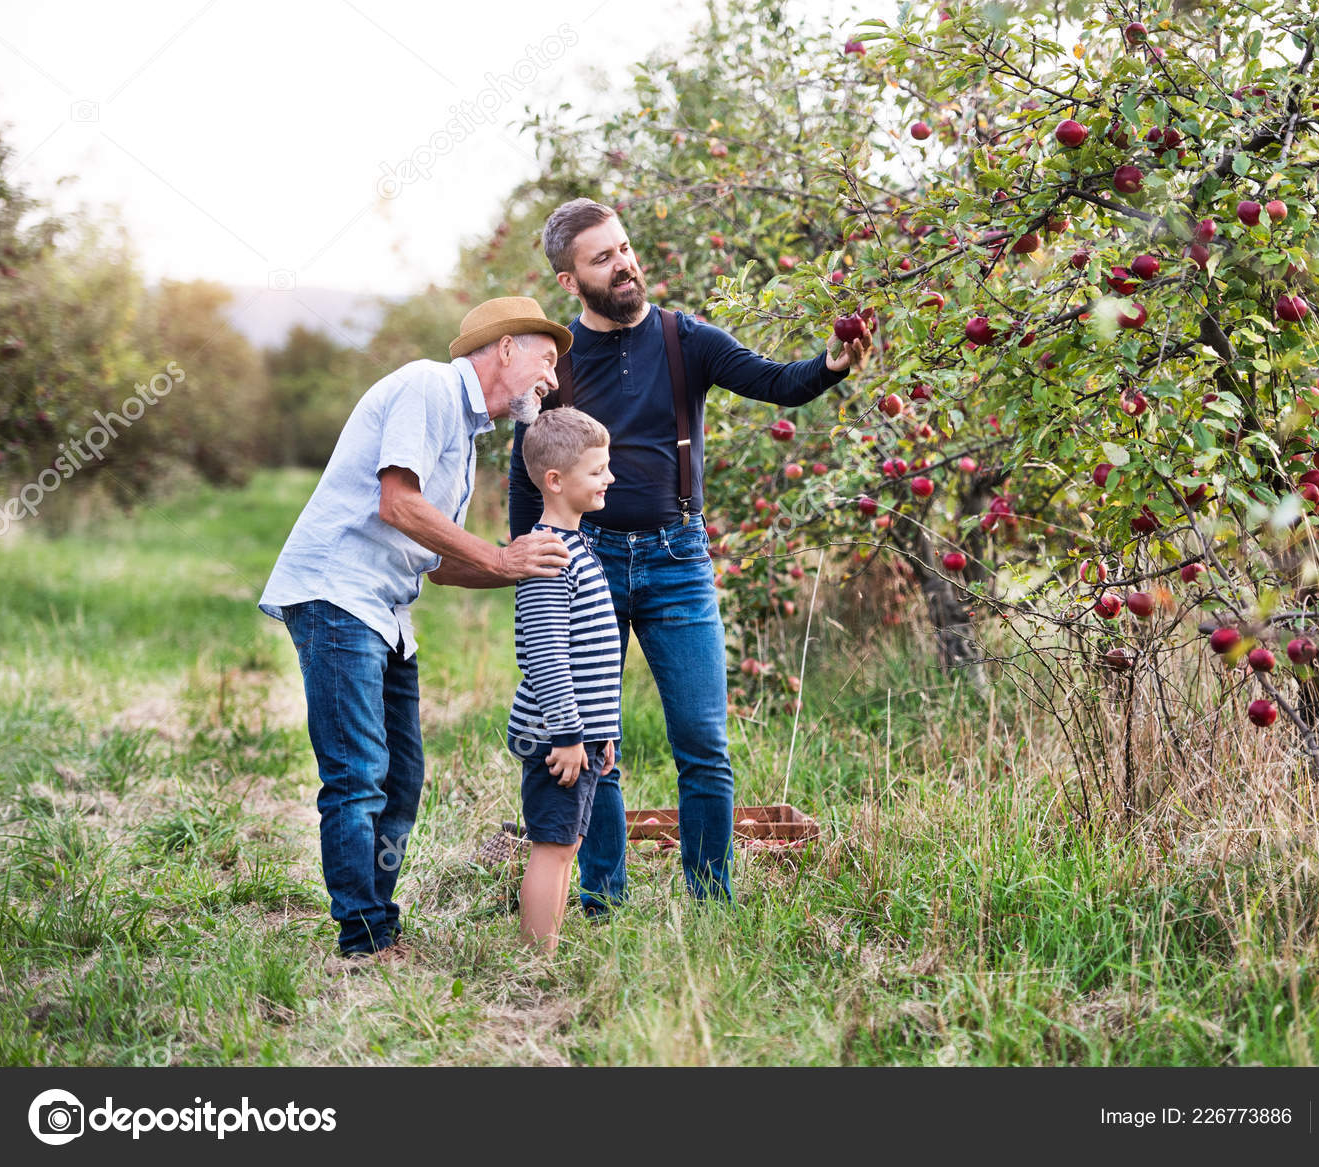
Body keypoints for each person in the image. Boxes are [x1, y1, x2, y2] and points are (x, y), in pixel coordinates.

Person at [510, 198, 871, 915]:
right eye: (602, 257)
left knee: (704, 741)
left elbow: (776, 381)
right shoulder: (563, 364)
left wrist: (831, 365)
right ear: (569, 280)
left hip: (679, 558)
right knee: (599, 745)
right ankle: (601, 897)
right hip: (587, 563)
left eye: (624, 248)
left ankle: (712, 898)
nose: (623, 263)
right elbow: (532, 469)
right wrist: (527, 560)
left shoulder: (686, 339)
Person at [260, 296, 574, 963]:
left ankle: (376, 923)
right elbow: (397, 501)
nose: (552, 378)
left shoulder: (464, 437)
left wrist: (528, 568)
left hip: (384, 611)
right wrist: (499, 554)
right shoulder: (429, 386)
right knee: (358, 774)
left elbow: (441, 568)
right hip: (336, 592)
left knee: (401, 779)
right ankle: (366, 938)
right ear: (507, 347)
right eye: (546, 359)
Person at [506, 407, 620, 954]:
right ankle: (537, 958)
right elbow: (548, 659)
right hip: (558, 737)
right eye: (597, 471)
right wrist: (572, 735)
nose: (609, 478)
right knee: (552, 846)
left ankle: (543, 946)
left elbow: (591, 658)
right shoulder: (550, 558)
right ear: (556, 481)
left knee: (566, 844)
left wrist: (601, 734)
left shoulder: (578, 548)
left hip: (580, 736)